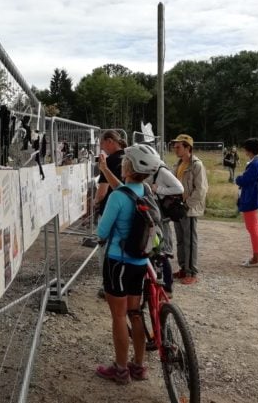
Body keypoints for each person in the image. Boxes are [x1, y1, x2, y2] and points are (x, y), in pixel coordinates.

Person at [95, 144, 161, 385]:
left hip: (117, 262)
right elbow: (125, 191)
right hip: (140, 261)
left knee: (119, 316)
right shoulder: (145, 190)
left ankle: (121, 369)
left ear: (129, 167)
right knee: (135, 313)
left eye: (125, 161)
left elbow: (101, 232)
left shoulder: (117, 198)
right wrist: (104, 168)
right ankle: (138, 366)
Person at [171, 134, 208, 285]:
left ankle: (192, 272)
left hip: (189, 209)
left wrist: (186, 205)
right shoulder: (178, 164)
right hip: (178, 208)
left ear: (188, 148)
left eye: (178, 147)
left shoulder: (197, 165)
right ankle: (183, 269)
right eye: (174, 146)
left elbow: (201, 190)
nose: (175, 149)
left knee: (190, 241)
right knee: (180, 240)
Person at [94, 130, 127, 298]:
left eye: (102, 144)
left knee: (105, 248)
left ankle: (108, 286)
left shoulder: (110, 162)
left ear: (110, 141)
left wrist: (94, 203)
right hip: (127, 211)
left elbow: (102, 192)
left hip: (110, 211)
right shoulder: (129, 157)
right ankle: (123, 283)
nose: (102, 148)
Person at [150, 161, 184, 296]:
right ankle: (158, 286)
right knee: (154, 251)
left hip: (161, 217)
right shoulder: (150, 170)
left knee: (162, 251)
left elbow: (179, 188)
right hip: (155, 216)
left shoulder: (161, 171)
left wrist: (159, 189)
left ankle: (168, 287)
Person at [235, 138, 258, 266]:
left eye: (245, 149)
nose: (244, 151)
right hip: (254, 197)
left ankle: (256, 258)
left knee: (252, 227)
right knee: (255, 226)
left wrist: (239, 178)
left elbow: (245, 180)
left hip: (250, 197)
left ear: (250, 150)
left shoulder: (255, 164)